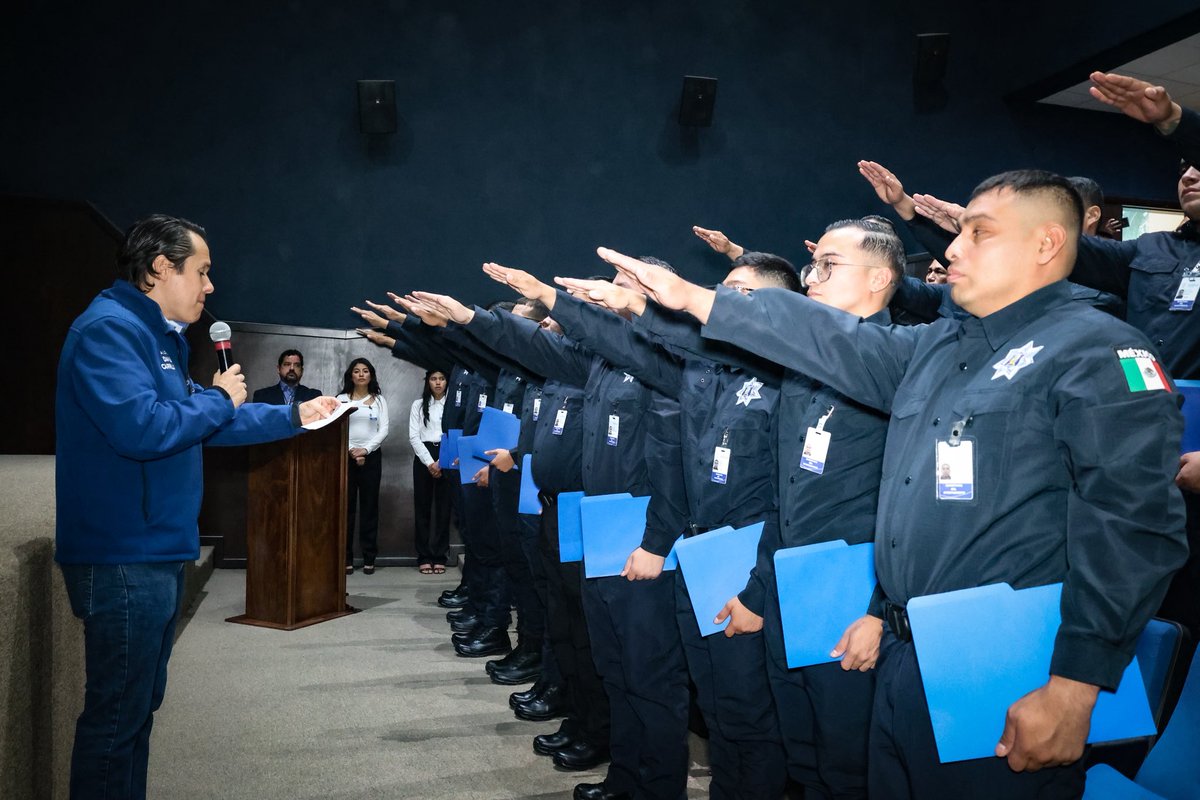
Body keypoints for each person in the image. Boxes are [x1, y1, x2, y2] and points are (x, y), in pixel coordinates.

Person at [598, 170, 1187, 798]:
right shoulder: (937, 346)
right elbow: (830, 339)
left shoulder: (1099, 349)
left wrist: (1074, 689)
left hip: (1008, 666)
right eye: (958, 232)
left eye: (978, 233)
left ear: (1046, 243)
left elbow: (1134, 529)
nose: (953, 249)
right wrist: (697, 300)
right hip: (911, 651)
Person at [55, 214, 337, 800]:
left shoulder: (156, 337)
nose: (211, 288)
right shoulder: (109, 331)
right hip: (122, 555)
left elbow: (203, 422)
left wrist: (294, 415)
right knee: (116, 720)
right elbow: (144, 428)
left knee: (137, 711)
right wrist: (216, 398)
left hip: (152, 547)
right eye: (202, 272)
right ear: (160, 267)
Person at [338, 357, 389, 575]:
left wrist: (365, 450)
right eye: (356, 371)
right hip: (344, 457)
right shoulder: (340, 399)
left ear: (371, 375)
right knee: (346, 510)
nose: (361, 374)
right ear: (351, 375)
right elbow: (337, 426)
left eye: (365, 371)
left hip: (372, 459)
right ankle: (346, 558)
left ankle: (369, 557)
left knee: (369, 509)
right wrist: (352, 450)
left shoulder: (379, 400)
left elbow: (383, 429)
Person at [409, 368, 451, 574]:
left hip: (447, 455)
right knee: (422, 509)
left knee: (444, 510)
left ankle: (440, 555)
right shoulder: (418, 405)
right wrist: (430, 462)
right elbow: (414, 437)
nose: (437, 383)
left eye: (441, 379)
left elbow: (453, 432)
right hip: (423, 457)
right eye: (433, 379)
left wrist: (442, 461)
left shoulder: (452, 404)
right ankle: (424, 556)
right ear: (427, 382)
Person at [252, 349, 322, 404]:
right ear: (279, 369)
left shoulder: (314, 397)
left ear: (302, 371)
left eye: (297, 365)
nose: (292, 368)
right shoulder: (262, 396)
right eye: (287, 364)